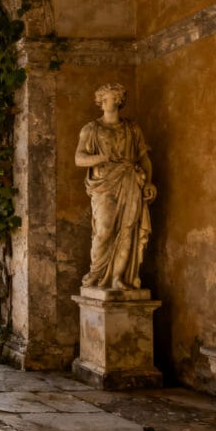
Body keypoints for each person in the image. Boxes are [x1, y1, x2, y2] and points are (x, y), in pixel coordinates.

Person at [75, 83, 156, 290]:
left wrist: (148, 182)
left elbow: (144, 159)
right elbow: (79, 158)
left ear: (119, 100)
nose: (104, 102)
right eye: (102, 99)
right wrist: (99, 158)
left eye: (109, 98)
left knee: (127, 229)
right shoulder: (91, 129)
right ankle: (96, 274)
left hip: (129, 181)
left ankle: (118, 278)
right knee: (104, 230)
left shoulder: (132, 129)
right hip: (104, 184)